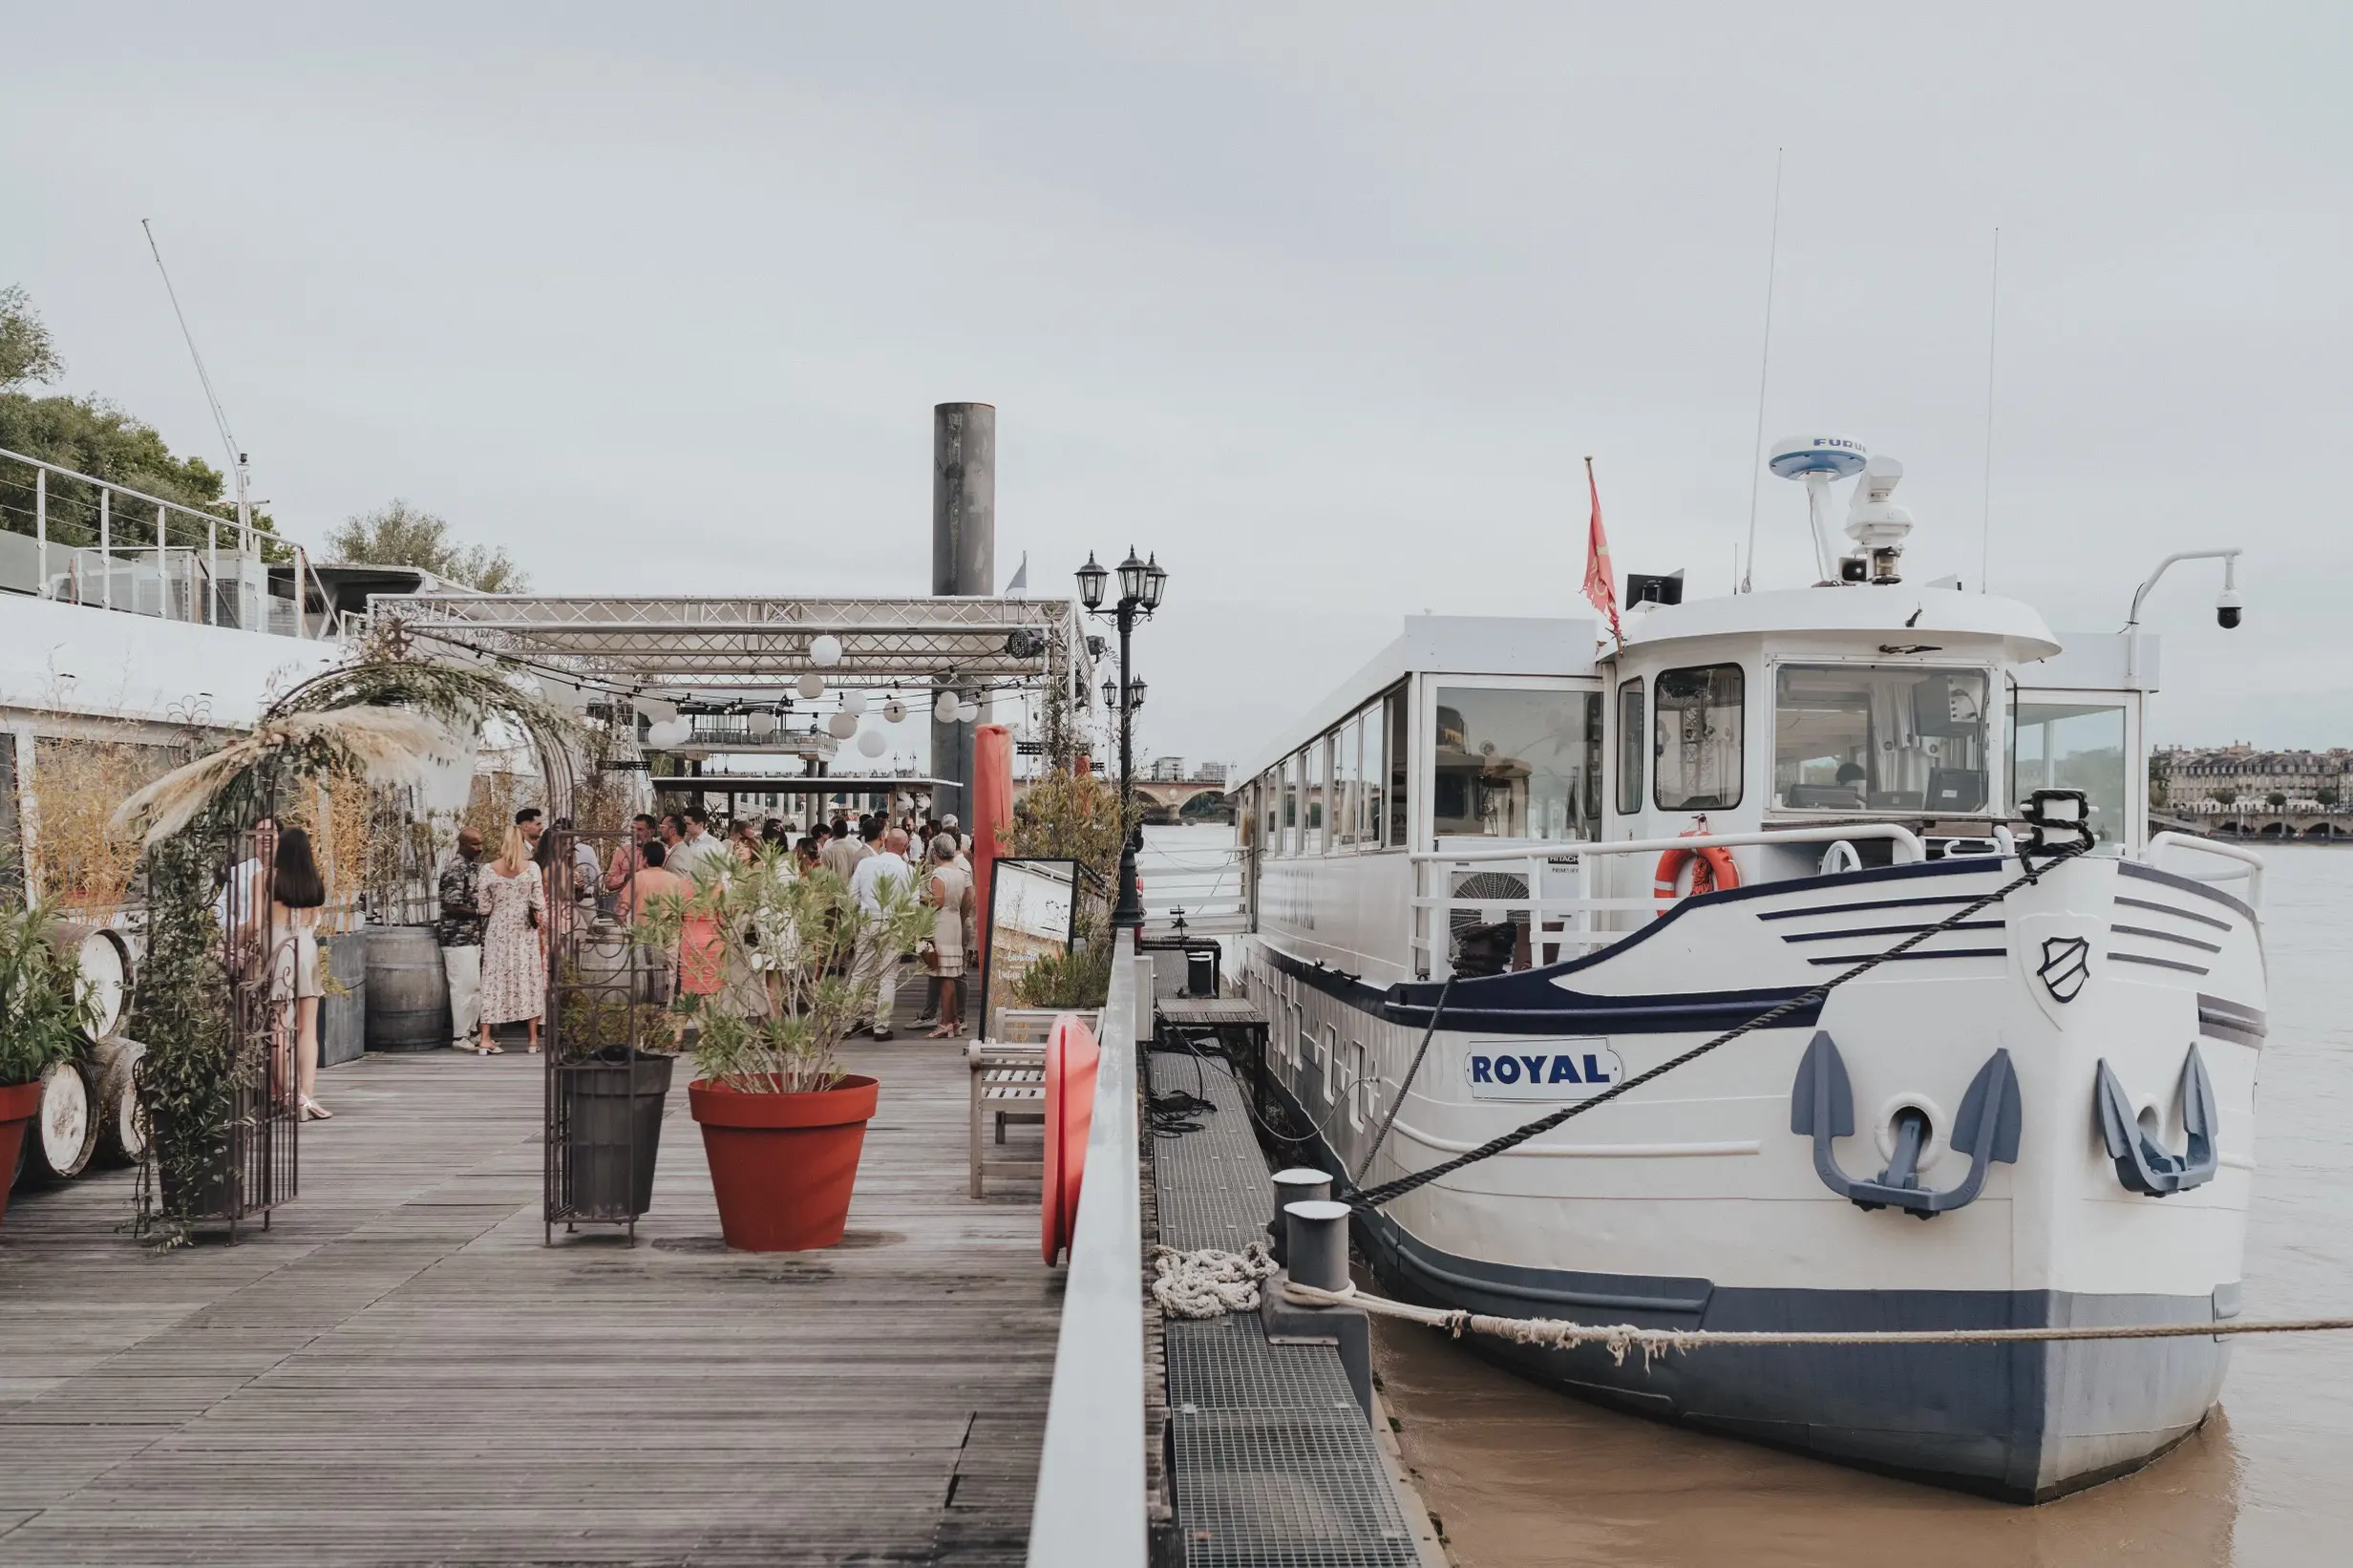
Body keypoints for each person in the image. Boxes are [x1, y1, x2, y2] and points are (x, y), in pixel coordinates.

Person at [268, 827, 333, 1119]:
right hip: (307, 949)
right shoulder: (313, 882)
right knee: (308, 1028)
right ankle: (307, 1095)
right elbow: (313, 920)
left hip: (279, 949)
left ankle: (289, 1095)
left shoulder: (267, 878)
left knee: (279, 1027)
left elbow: (259, 924)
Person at [477, 824, 546, 1055]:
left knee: (493, 981)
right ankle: (533, 1041)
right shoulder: (532, 868)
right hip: (523, 932)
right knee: (528, 979)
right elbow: (539, 905)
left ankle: (485, 1039)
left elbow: (484, 908)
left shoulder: (488, 870)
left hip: (498, 932)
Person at [847, 828, 914, 1039]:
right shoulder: (908, 871)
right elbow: (911, 907)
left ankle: (848, 1022)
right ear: (905, 847)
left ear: (885, 842)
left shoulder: (865, 864)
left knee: (859, 974)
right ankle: (880, 1026)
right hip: (893, 924)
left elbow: (851, 896)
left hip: (868, 922)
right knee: (887, 978)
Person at [437, 826, 487, 1051]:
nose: (479, 848)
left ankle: (473, 1031)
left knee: (475, 987)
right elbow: (451, 905)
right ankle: (460, 1036)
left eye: (480, 843)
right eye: (474, 844)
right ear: (462, 844)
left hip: (473, 936)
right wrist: (480, 911)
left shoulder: (473, 868)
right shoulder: (455, 870)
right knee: (462, 987)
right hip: (457, 938)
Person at [922, 834, 974, 1039]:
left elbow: (937, 902)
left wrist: (920, 900)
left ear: (935, 853)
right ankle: (953, 1021)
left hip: (941, 924)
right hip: (954, 922)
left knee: (943, 976)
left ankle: (944, 1023)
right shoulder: (960, 873)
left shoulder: (938, 874)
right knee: (951, 974)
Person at [615, 837, 686, 924]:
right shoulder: (675, 880)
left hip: (644, 934)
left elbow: (622, 912)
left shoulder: (637, 878)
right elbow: (682, 911)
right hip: (668, 933)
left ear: (645, 859)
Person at [819, 813, 869, 881]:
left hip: (834, 890)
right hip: (851, 889)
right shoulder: (857, 848)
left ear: (833, 832)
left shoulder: (828, 852)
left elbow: (822, 876)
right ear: (847, 831)